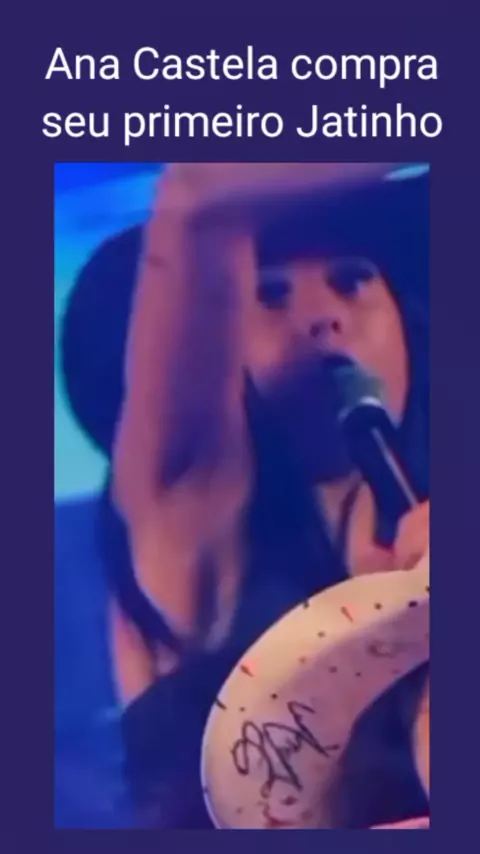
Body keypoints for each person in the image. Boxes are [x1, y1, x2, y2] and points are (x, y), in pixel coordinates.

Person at [58, 164, 430, 829]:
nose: (324, 317)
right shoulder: (193, 521)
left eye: (351, 279)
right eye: (269, 292)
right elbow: (198, 202)